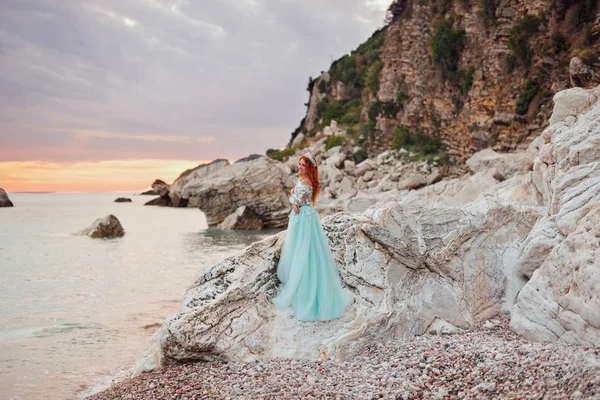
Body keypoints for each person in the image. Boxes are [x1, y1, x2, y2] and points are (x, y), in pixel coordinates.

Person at [272, 152, 351, 321]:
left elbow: (298, 202)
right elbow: (296, 199)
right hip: (304, 217)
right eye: (299, 164)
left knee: (304, 250)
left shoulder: (306, 182)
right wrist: (294, 197)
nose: (300, 167)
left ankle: (304, 291)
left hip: (304, 220)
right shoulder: (304, 181)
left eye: (303, 165)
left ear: (309, 168)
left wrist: (293, 199)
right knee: (304, 249)